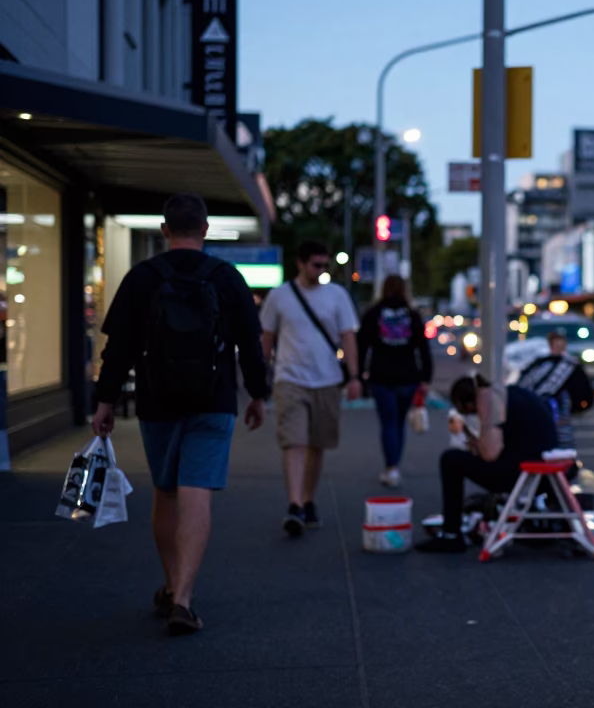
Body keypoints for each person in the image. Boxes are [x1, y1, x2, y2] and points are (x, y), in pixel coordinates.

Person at [92, 193, 269, 635]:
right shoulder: (228, 279)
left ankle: (172, 586)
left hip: (158, 401)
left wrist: (105, 400)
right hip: (214, 402)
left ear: (165, 230)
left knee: (166, 494)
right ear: (205, 230)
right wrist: (258, 395)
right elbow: (251, 342)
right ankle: (185, 600)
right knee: (198, 495)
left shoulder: (142, 278)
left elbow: (120, 348)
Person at [260, 240, 361, 537]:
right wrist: (259, 376)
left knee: (317, 445)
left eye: (324, 265)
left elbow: (348, 337)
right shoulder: (280, 296)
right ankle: (294, 505)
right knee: (294, 441)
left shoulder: (337, 295)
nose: (321, 271)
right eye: (316, 265)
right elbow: (266, 338)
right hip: (289, 379)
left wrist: (354, 377)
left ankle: (308, 499)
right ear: (301, 264)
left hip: (327, 380)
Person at [416, 374, 559, 553]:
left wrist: (476, 444)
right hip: (547, 471)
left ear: (468, 403)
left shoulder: (491, 406)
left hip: (525, 475)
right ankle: (451, 533)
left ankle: (451, 534)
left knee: (450, 459)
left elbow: (490, 455)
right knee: (459, 459)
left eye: (466, 411)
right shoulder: (514, 394)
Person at [357, 274, 433, 488]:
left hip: (381, 375)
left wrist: (359, 374)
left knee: (388, 423)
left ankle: (391, 467)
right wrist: (426, 377)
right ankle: (395, 464)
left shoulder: (373, 313)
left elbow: (362, 346)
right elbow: (423, 349)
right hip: (408, 376)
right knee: (399, 423)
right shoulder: (413, 315)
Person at [516, 330, 594, 448]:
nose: (558, 348)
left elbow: (583, 391)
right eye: (556, 344)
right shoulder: (539, 363)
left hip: (560, 415)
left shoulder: (571, 366)